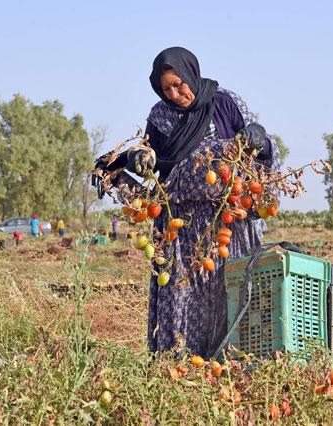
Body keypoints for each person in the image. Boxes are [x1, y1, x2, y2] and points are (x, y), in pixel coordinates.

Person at [93, 47, 280, 358]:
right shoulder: (160, 116)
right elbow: (154, 163)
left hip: (228, 224)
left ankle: (231, 364)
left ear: (191, 74)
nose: (176, 94)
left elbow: (257, 152)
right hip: (182, 227)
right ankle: (180, 364)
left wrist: (261, 139)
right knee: (183, 297)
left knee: (228, 293)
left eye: (179, 84)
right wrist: (135, 159)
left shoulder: (225, 102)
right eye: (167, 89)